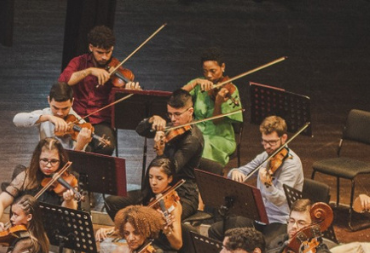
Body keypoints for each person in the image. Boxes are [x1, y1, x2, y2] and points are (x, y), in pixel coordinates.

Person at [108, 90, 203, 218]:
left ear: (190, 112)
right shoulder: (172, 126)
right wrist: (152, 120)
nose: (173, 119)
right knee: (112, 202)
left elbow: (170, 169)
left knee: (155, 216)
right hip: (156, 189)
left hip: (182, 195)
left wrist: (160, 151)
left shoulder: (192, 139)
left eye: (177, 114)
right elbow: (140, 130)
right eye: (170, 114)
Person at [216, 116, 304, 242]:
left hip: (279, 220)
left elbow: (280, 200)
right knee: (218, 230)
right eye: (264, 141)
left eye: (272, 142)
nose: (267, 146)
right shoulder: (266, 155)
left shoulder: (291, 164)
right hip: (258, 216)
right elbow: (244, 170)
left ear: (283, 138)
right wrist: (235, 172)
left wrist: (268, 185)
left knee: (265, 248)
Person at [57, 25, 140, 155]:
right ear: (91, 48)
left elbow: (117, 103)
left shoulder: (117, 68)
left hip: (101, 120)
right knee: (81, 146)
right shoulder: (79, 62)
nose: (105, 58)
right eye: (99, 52)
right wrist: (89, 71)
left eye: (108, 52)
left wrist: (128, 91)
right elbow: (63, 82)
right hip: (76, 117)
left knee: (106, 146)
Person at [0, 138, 79, 233]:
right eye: (44, 160)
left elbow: (69, 214)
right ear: (37, 158)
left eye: (54, 161)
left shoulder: (68, 180)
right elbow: (1, 201)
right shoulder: (27, 176)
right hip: (25, 231)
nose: (48, 165)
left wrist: (68, 201)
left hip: (53, 233)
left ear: (61, 160)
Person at [181, 49, 243, 165]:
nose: (209, 75)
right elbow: (177, 98)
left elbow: (216, 121)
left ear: (223, 67)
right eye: (205, 71)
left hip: (220, 137)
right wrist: (195, 83)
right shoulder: (199, 84)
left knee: (203, 145)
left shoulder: (230, 89)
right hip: (196, 133)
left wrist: (218, 103)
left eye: (213, 71)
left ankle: (205, 178)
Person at [13, 81, 93, 151]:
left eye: (65, 108)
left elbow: (76, 160)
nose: (60, 113)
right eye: (56, 108)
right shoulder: (45, 113)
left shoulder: (82, 125)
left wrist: (79, 146)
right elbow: (16, 120)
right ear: (49, 100)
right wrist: (48, 117)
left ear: (72, 102)